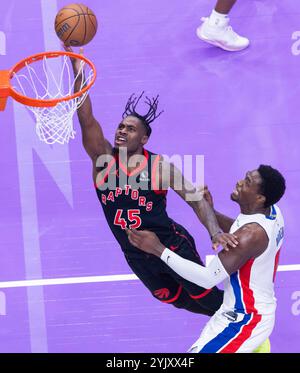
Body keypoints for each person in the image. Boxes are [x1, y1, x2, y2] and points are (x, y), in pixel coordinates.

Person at [64, 45, 238, 316]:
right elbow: (85, 118)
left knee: (211, 302)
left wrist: (214, 231)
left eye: (130, 129)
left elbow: (197, 201)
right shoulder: (103, 161)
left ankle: (248, 331)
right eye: (121, 126)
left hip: (171, 244)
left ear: (144, 139)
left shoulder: (159, 167)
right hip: (135, 255)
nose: (122, 131)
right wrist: (77, 70)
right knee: (179, 300)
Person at [127, 165, 286, 352]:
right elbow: (239, 231)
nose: (240, 182)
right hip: (245, 311)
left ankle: (255, 344)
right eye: (245, 177)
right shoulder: (272, 212)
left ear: (260, 198)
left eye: (247, 182)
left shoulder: (252, 234)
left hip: (245, 319)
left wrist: (158, 249)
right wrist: (212, 212)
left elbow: (207, 278)